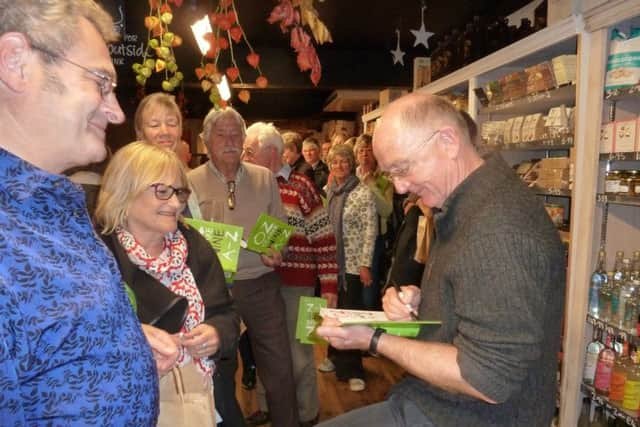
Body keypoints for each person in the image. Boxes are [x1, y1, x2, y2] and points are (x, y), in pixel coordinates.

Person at [316, 93, 566, 427]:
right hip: (438, 404)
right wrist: (426, 303)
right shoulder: (466, 205)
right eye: (392, 175)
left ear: (448, 141)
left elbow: (486, 379)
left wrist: (374, 338)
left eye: (403, 169)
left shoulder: (497, 230)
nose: (402, 188)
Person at [0, 1, 170, 424]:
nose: (115, 112)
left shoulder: (49, 204)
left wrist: (115, 341)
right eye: (100, 82)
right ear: (15, 62)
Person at [95, 142, 241, 426]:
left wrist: (217, 333)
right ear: (126, 190)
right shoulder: (98, 255)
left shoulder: (194, 246)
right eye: (162, 191)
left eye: (179, 192)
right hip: (126, 406)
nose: (176, 204)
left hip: (203, 398)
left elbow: (228, 313)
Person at [188, 107, 299, 427]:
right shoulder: (191, 182)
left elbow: (279, 228)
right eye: (221, 134)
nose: (230, 140)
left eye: (236, 134)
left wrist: (278, 249)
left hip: (263, 285)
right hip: (216, 291)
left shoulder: (264, 178)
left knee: (279, 368)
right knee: (221, 371)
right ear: (206, 141)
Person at [242, 122, 338, 426]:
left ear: (271, 153)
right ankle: (268, 407)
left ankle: (307, 413)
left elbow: (325, 239)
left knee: (301, 354)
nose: (243, 156)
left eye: (249, 150)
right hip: (261, 285)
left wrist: (330, 286)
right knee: (265, 349)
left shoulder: (302, 186)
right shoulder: (249, 188)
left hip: (301, 286)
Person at [320, 143, 377, 392]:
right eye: (334, 162)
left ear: (351, 163)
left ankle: (354, 369)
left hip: (353, 266)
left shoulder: (362, 192)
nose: (339, 165)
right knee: (333, 311)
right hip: (331, 264)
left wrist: (365, 263)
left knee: (351, 315)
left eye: (343, 161)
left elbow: (370, 230)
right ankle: (333, 356)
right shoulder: (329, 191)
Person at [354, 134, 394, 310]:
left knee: (368, 290)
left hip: (374, 239)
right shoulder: (349, 174)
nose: (365, 155)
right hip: (351, 238)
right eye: (361, 151)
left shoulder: (384, 179)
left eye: (369, 151)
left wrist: (371, 185)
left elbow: (386, 210)